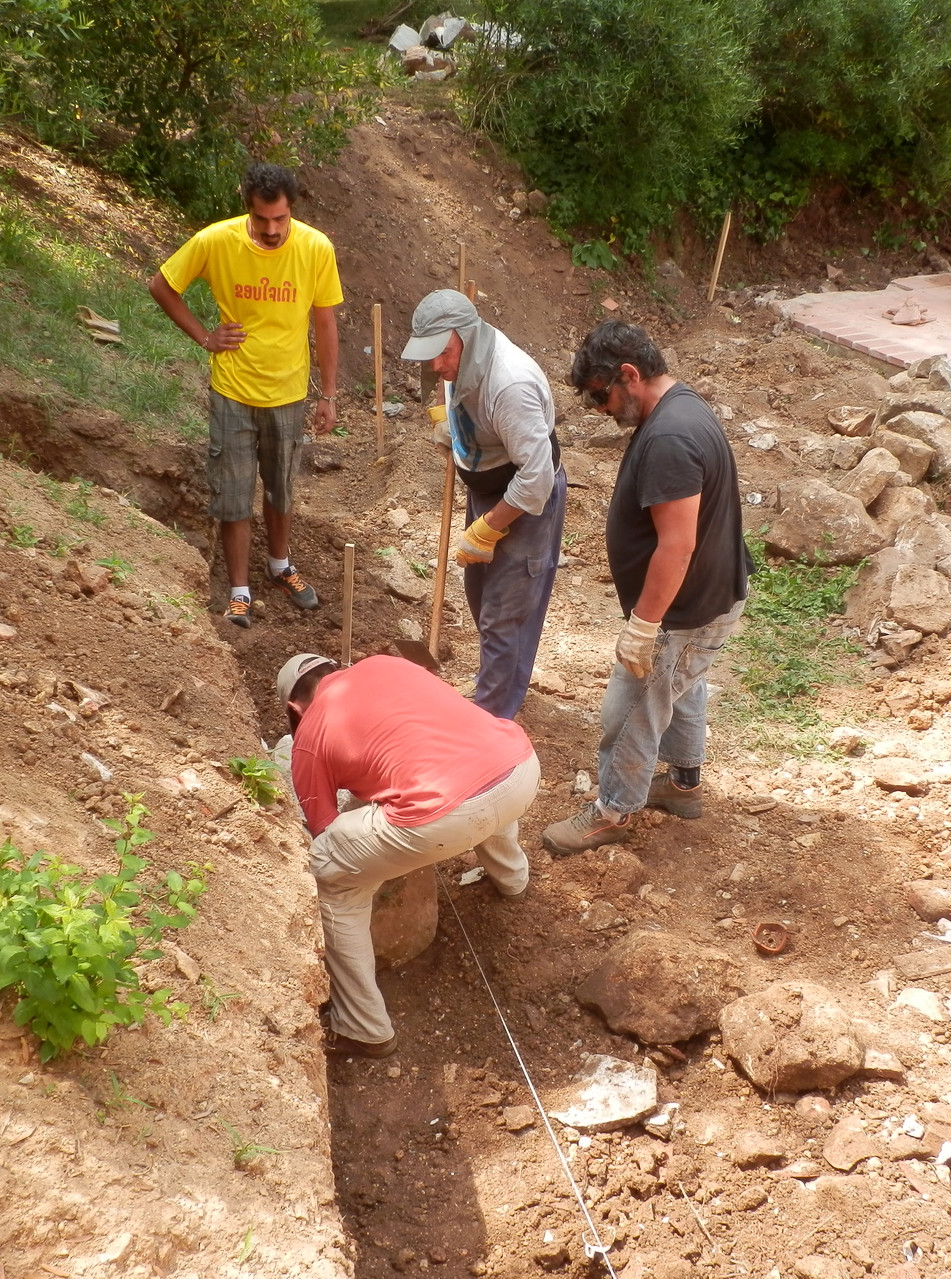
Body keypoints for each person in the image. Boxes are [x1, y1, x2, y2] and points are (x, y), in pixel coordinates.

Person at [540, 320, 752, 855]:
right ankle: (683, 787)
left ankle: (613, 810)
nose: (600, 410)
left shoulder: (671, 439)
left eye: (600, 395)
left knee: (632, 707)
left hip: (683, 611)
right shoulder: (681, 408)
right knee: (680, 691)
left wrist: (644, 626)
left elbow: (675, 546)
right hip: (706, 599)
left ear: (629, 375)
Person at [279, 651, 540, 1057]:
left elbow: (323, 830)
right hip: (519, 767)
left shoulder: (309, 735)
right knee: (480, 781)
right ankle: (513, 880)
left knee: (329, 874)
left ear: (295, 708)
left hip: (442, 817)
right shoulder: (388, 665)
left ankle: (363, 1027)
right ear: (336, 669)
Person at [148, 162, 343, 629]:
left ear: (291, 209)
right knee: (234, 493)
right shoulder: (217, 241)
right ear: (248, 211)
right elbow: (162, 285)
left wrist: (329, 394)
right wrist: (204, 337)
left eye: (281, 219)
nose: (273, 230)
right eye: (262, 220)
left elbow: (325, 322)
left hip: (288, 392)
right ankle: (239, 590)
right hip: (232, 390)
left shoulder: (316, 248)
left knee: (281, 486)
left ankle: (280, 565)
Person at [399, 290, 566, 719]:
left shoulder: (510, 384)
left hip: (524, 496)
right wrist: (452, 426)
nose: (435, 365)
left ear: (466, 337)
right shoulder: (460, 356)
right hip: (487, 484)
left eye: (441, 353)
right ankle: (504, 676)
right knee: (479, 593)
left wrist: (490, 526)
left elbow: (537, 478)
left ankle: (490, 720)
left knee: (503, 613)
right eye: (429, 354)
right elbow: (455, 388)